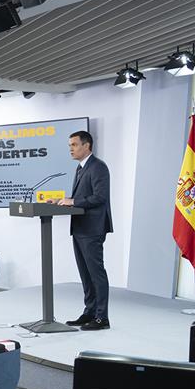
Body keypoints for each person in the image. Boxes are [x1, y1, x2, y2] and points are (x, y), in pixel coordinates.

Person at [57, 130, 113, 330]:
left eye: (74, 144)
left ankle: (101, 318)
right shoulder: (81, 168)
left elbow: (100, 197)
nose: (70, 149)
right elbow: (81, 197)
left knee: (96, 273)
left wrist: (73, 201)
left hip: (92, 228)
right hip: (80, 227)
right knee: (85, 274)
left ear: (86, 145)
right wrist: (58, 202)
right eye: (69, 145)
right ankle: (89, 312)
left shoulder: (98, 167)